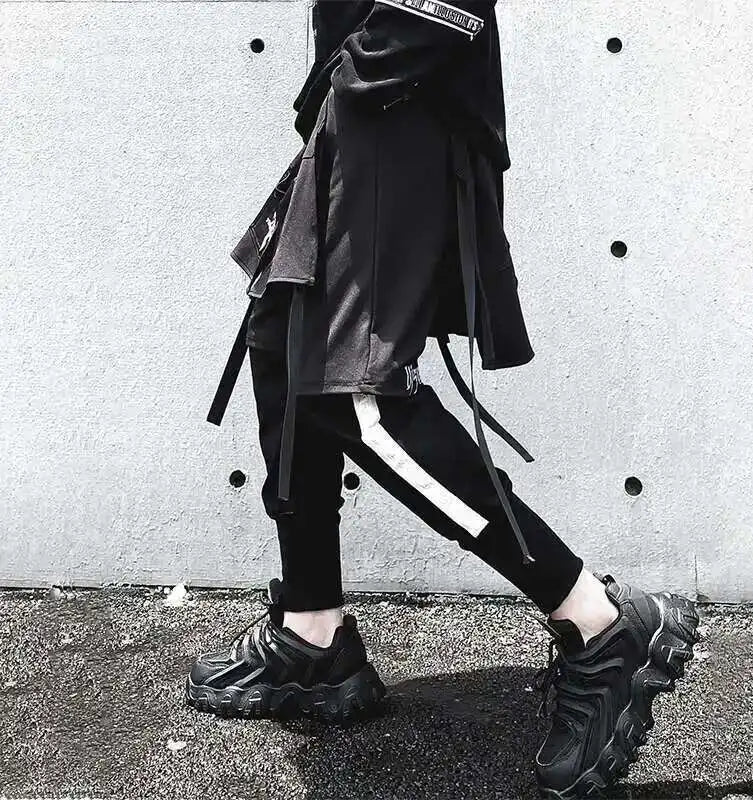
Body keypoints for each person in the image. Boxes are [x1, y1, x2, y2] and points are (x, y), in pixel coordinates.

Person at [187, 2, 701, 796]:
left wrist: (369, 65)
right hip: (370, 90)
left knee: (354, 395)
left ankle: (598, 621)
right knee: (283, 344)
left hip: (400, 92)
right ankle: (312, 635)